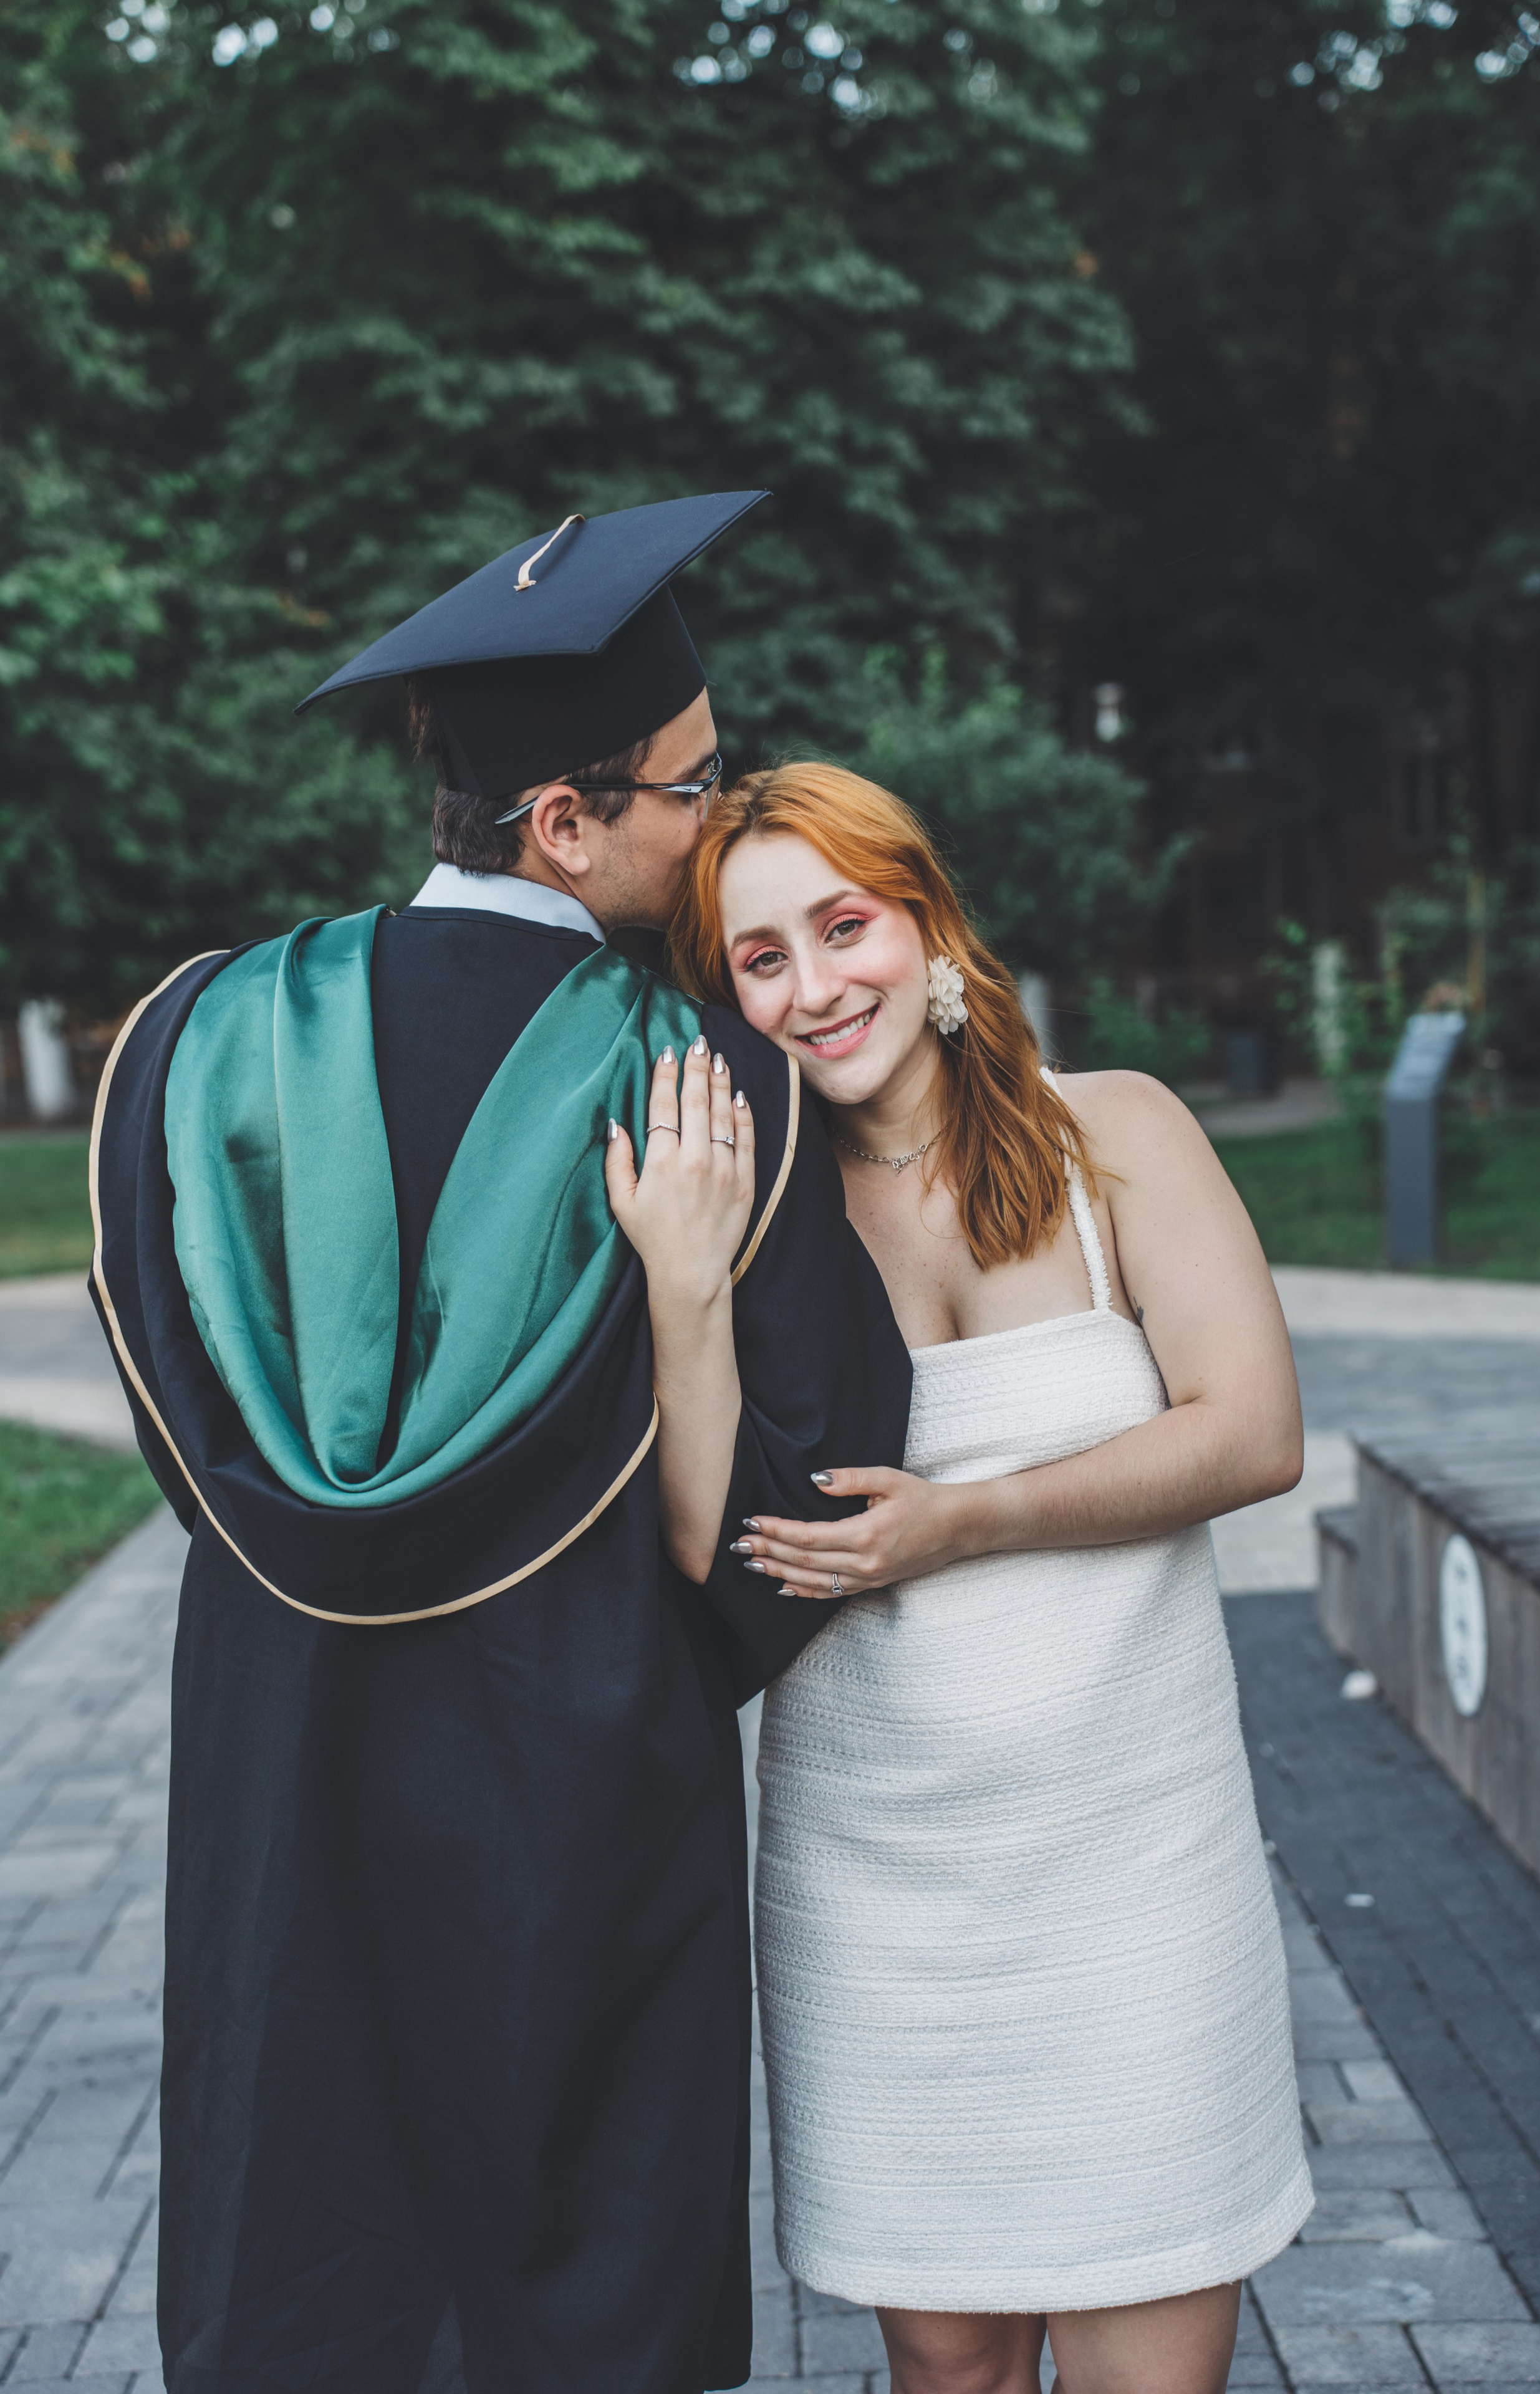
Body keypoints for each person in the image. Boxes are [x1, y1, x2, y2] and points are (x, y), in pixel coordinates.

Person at [89, 501, 910, 2394]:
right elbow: (793, 1530)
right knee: (577, 2291)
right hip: (583, 1802)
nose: (723, 822)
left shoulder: (200, 1043)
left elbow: (180, 1427)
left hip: (283, 1776)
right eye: (694, 791)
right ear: (566, 820)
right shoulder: (716, 1092)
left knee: (314, 2257)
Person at [663, 761, 1314, 2394]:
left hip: (1133, 1865)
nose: (816, 986)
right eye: (761, 958)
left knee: (1144, 2350)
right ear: (725, 996)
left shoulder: (1122, 1133)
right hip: (872, 1880)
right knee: (945, 2362)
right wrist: (680, 1290)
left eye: (843, 923)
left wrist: (962, 1520)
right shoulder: (753, 1221)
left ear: (923, 919)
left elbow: (1253, 1434)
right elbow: (693, 1543)